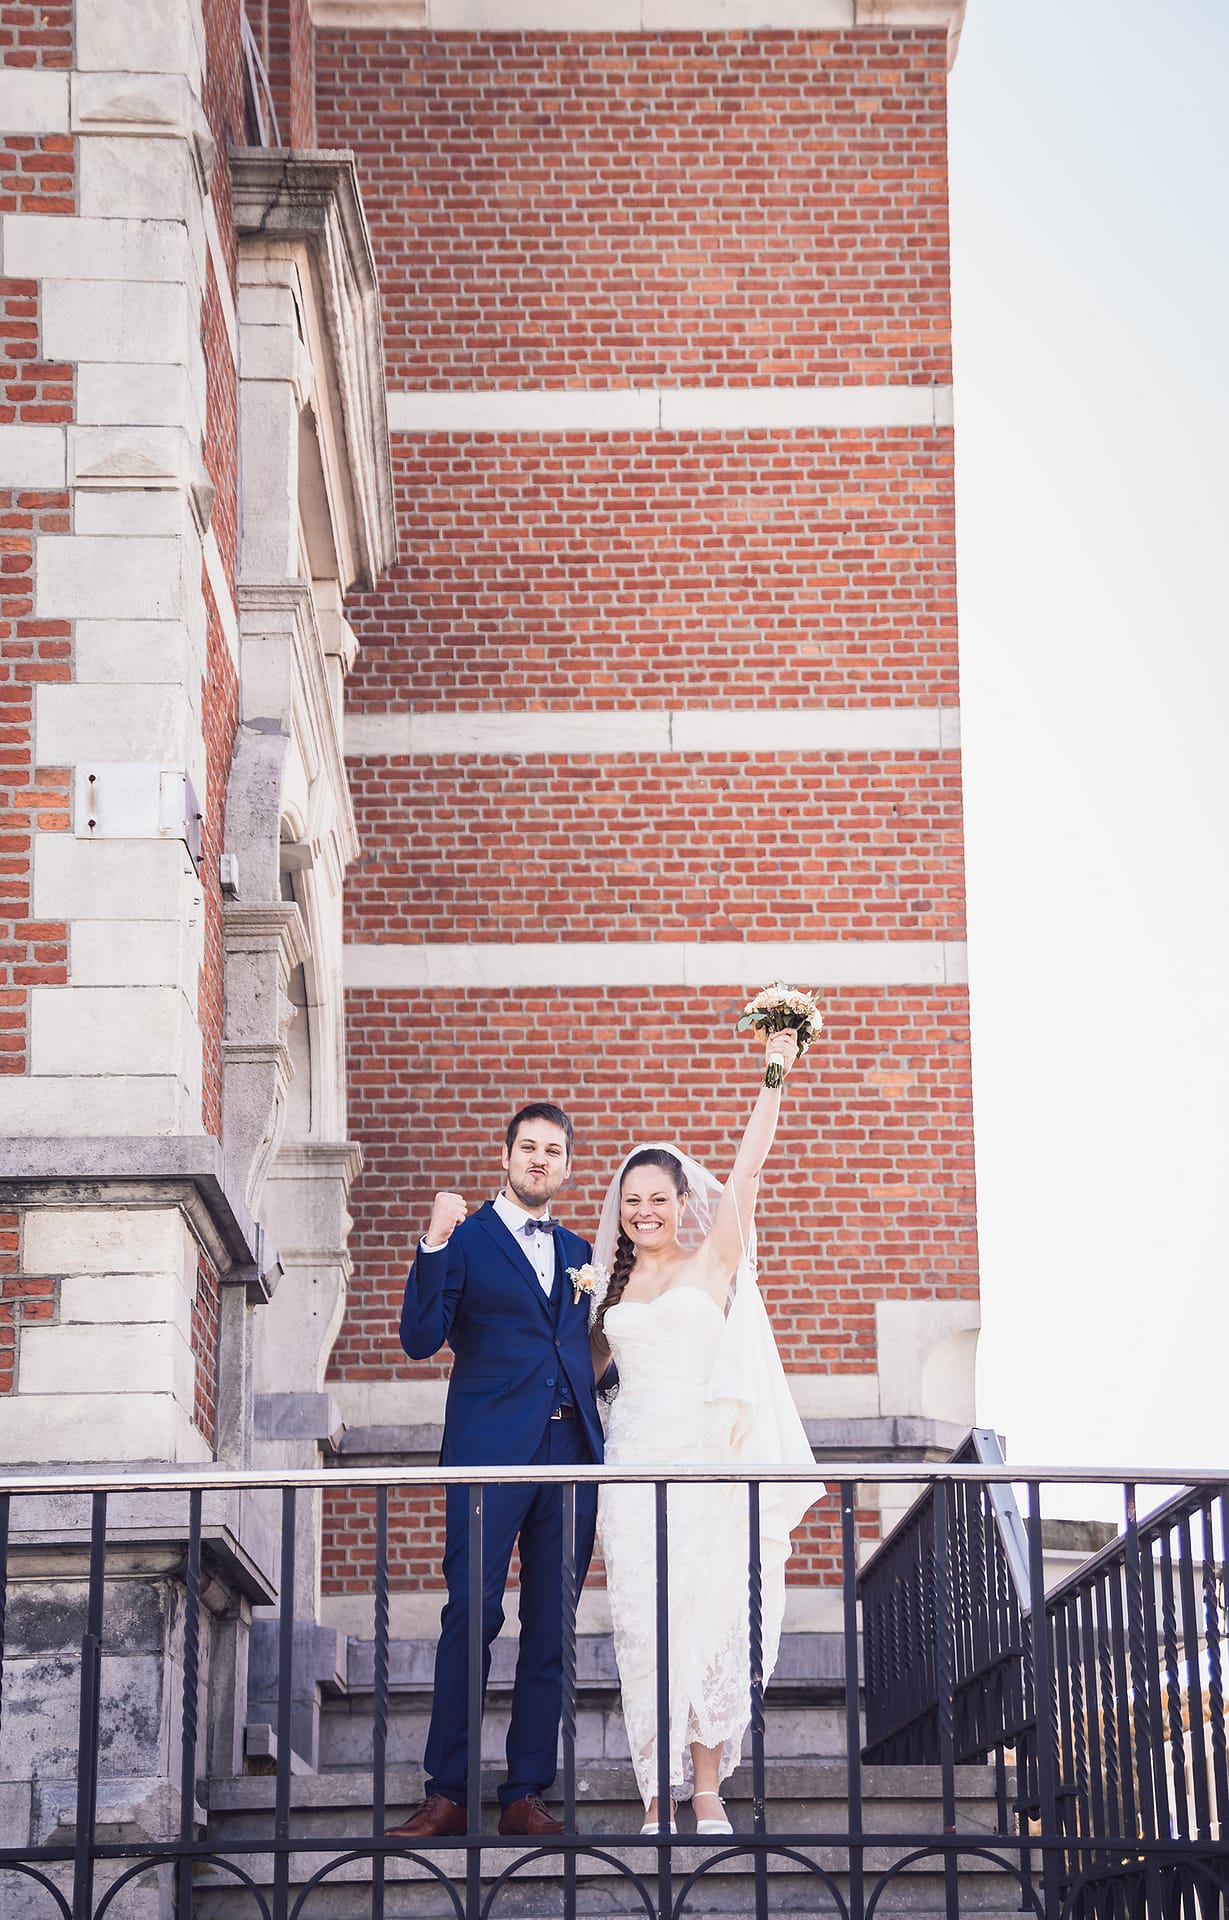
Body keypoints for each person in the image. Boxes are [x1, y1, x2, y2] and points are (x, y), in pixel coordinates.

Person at [590, 1030, 823, 1836]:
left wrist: (774, 1074)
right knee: (646, 1627)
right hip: (630, 1469)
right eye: (631, 1201)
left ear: (682, 1202)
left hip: (703, 1462)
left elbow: (747, 1170)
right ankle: (654, 1793)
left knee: (710, 1617)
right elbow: (575, 1372)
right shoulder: (608, 1290)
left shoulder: (711, 1261)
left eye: (657, 1199)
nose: (643, 1212)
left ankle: (705, 1789)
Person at [385, 1102, 604, 1840]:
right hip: (488, 1454)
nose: (540, 1159)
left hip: (569, 1456)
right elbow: (420, 1339)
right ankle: (447, 1793)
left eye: (553, 1150)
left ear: (566, 1165)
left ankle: (525, 1793)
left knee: (551, 1624)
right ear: (506, 1157)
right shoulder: (466, 1238)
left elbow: (579, 1351)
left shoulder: (578, 1250)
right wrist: (432, 1242)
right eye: (528, 1147)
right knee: (472, 1614)